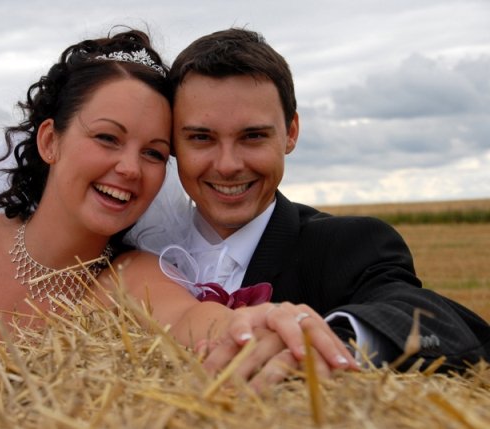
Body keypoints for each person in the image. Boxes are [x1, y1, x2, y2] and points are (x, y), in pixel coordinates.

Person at [0, 29, 356, 404]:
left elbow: (198, 320)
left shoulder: (135, 277)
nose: (130, 169)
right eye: (107, 138)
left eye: (154, 152)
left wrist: (263, 321)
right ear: (49, 141)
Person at [126, 28, 490, 377]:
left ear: (291, 133)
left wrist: (327, 343)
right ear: (173, 142)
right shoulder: (139, 247)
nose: (228, 165)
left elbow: (448, 327)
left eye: (253, 136)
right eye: (201, 138)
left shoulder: (346, 245)